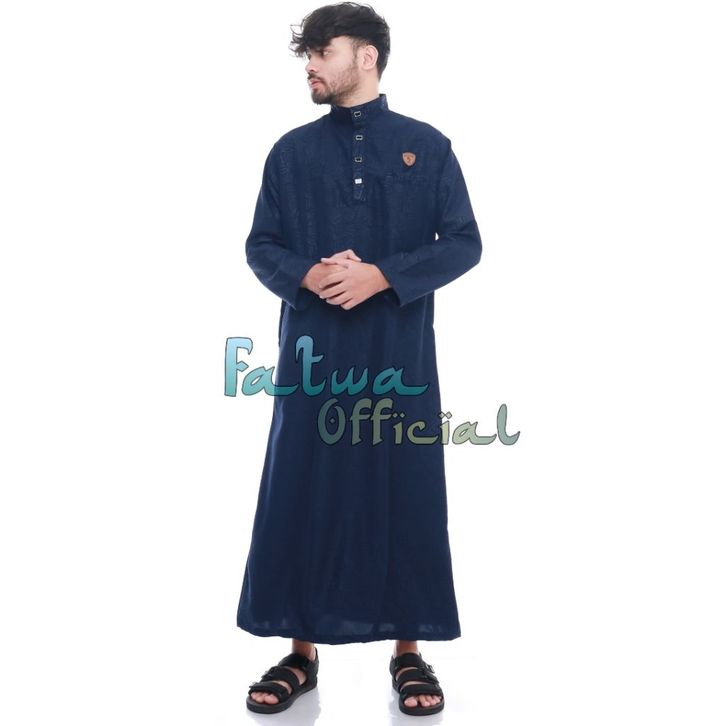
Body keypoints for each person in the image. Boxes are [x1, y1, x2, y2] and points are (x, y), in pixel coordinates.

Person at [238, 2, 482, 716]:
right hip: (312, 358)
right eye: (307, 54)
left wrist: (383, 275)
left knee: (405, 486)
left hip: (397, 355)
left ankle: (409, 650)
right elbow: (261, 245)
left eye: (322, 51)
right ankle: (300, 651)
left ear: (367, 56)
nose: (310, 65)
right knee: (300, 487)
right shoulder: (290, 153)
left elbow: (464, 242)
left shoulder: (426, 147)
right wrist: (309, 274)